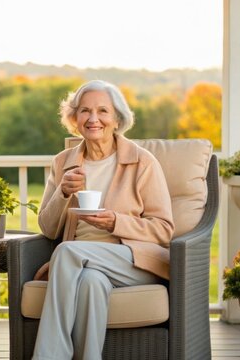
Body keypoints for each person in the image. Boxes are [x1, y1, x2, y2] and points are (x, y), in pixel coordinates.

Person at [32, 80, 175, 359]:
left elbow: (164, 229)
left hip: (133, 261)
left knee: (67, 250)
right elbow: (48, 229)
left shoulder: (142, 162)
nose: (93, 118)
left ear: (117, 118)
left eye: (103, 111)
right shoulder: (64, 162)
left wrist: (115, 222)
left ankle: (49, 355)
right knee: (90, 283)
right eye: (84, 111)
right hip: (81, 264)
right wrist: (62, 192)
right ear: (74, 118)